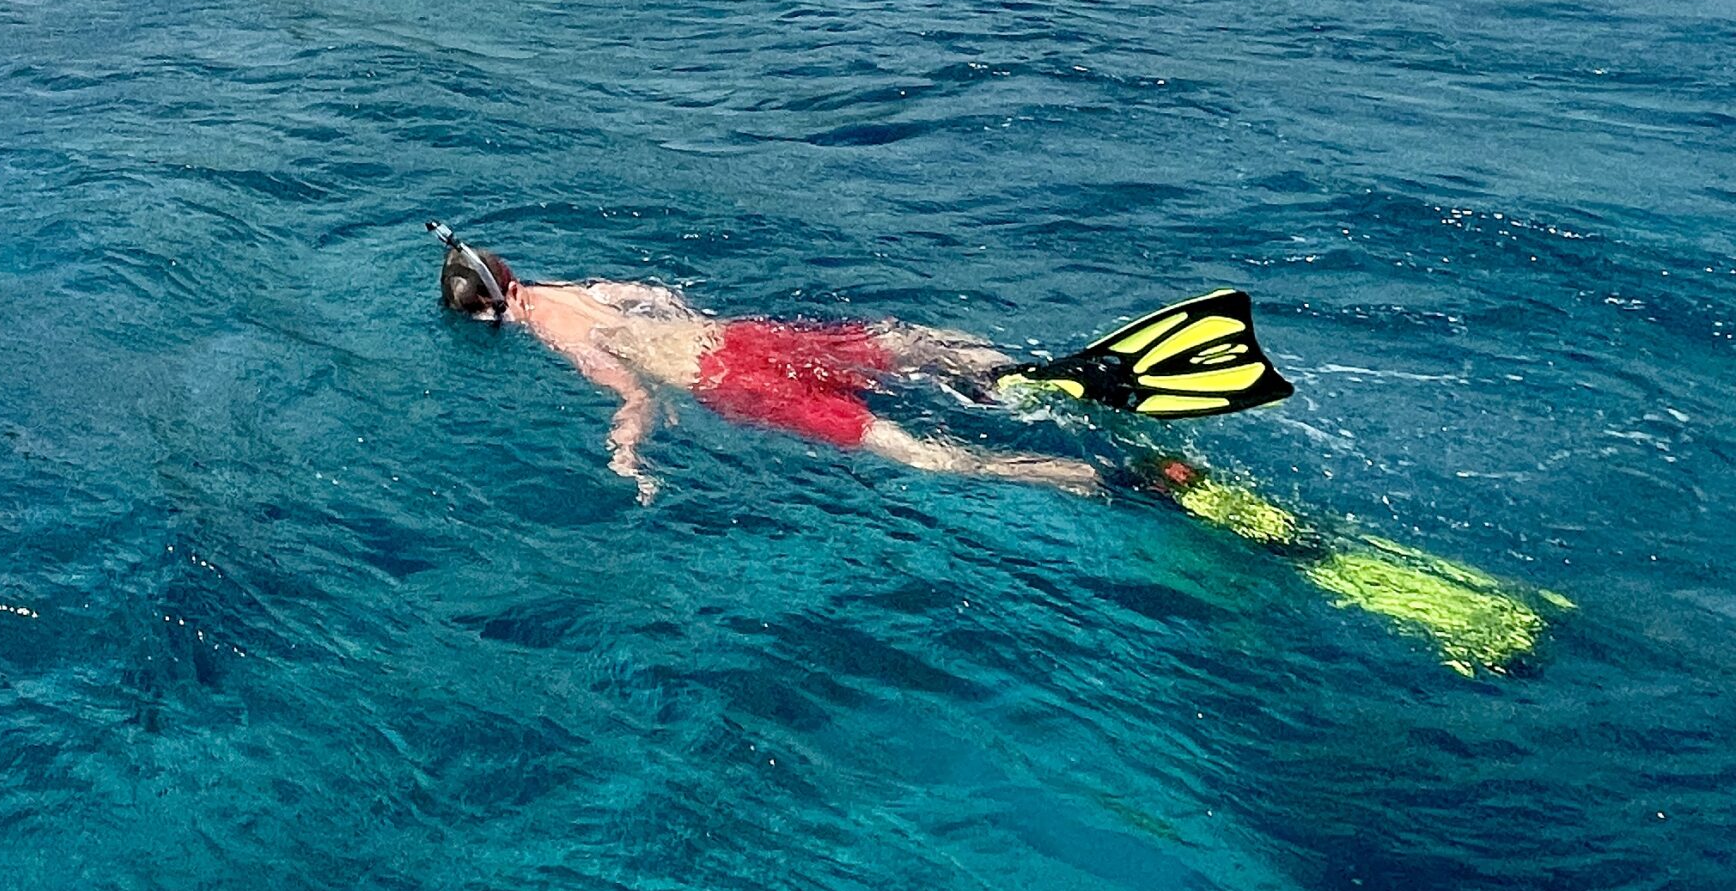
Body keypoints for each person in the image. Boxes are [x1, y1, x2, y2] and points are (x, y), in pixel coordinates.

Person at [431, 227, 1291, 502]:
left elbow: (629, 397)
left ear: (489, 313)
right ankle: (1010, 373)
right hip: (738, 337)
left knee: (918, 452)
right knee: (900, 343)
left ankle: (1099, 480)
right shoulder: (578, 284)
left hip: (730, 384)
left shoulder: (552, 334)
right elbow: (654, 291)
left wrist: (628, 453)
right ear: (507, 272)